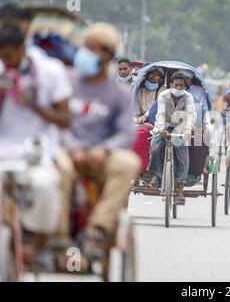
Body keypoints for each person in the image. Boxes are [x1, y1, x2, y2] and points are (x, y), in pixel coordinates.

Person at [60, 22, 141, 259]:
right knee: (52, 169)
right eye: (84, 47)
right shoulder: (65, 81)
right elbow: (56, 123)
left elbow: (126, 133)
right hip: (67, 152)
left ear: (107, 56)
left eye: (91, 48)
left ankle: (96, 230)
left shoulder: (119, 93)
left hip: (101, 156)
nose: (84, 53)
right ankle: (58, 234)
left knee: (129, 164)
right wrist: (73, 148)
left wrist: (105, 149)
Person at [0, 22, 72, 270]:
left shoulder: (49, 70)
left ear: (21, 49)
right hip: (2, 150)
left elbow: (65, 119)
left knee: (44, 187)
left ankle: (39, 244)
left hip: (36, 150)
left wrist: (35, 104)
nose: (5, 63)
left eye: (8, 57)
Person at [147, 72, 196, 205]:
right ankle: (156, 176)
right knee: (156, 147)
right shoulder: (164, 95)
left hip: (181, 128)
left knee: (182, 156)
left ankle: (179, 191)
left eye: (181, 85)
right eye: (176, 85)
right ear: (171, 85)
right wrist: (161, 129)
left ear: (184, 87)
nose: (179, 87)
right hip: (165, 126)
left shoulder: (188, 97)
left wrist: (188, 129)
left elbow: (191, 115)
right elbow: (161, 113)